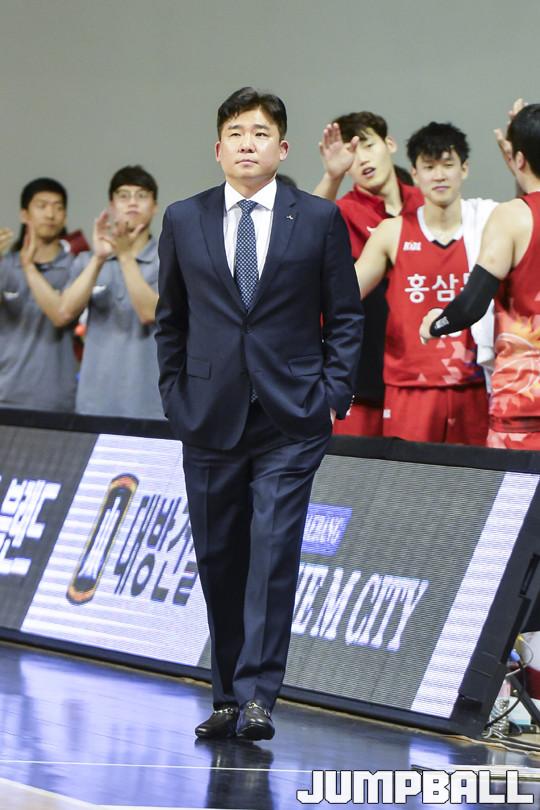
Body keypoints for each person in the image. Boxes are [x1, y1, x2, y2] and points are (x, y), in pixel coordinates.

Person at [155, 87, 363, 740]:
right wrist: (176, 398)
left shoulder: (318, 219)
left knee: (272, 553)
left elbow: (346, 315)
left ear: (284, 148)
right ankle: (226, 695)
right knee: (219, 559)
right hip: (208, 417)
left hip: (291, 418)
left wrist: (332, 393)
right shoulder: (184, 218)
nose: (248, 143)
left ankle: (257, 698)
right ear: (218, 149)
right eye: (237, 133)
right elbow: (170, 320)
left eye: (261, 133)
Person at [355, 121, 497, 445]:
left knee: (475, 479)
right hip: (409, 388)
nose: (439, 175)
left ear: (464, 168)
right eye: (429, 167)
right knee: (406, 479)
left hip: (473, 386)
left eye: (448, 165)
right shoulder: (392, 232)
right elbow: (344, 293)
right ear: (415, 174)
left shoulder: (489, 224)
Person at [420, 103, 540, 450]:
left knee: (514, 489)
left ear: (518, 159)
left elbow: (472, 304)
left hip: (523, 404)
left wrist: (436, 324)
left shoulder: (511, 217)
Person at [313, 112, 423, 437]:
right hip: (362, 376)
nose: (362, 159)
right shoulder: (343, 212)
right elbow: (303, 233)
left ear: (390, 144)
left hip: (422, 375)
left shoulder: (426, 204)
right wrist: (331, 176)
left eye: (369, 145)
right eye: (352, 152)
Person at [24, 166, 164, 419]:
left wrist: (124, 256)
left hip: (149, 404)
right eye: (123, 195)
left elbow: (149, 312)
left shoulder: (169, 260)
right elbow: (63, 313)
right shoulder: (88, 261)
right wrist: (99, 258)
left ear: (154, 206)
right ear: (111, 206)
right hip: (95, 403)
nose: (132, 202)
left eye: (142, 195)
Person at [0, 178, 80, 411]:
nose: (50, 214)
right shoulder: (5, 266)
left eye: (58, 207)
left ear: (65, 216)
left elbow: (61, 315)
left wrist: (29, 267)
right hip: (6, 393)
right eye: (42, 206)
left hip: (58, 398)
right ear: (24, 214)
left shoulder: (76, 267)